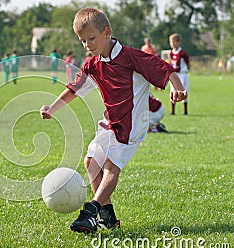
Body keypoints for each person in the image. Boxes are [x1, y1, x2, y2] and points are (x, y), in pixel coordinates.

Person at [40, 8, 187, 233]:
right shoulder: (92, 65)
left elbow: (164, 69)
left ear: (107, 32)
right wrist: (52, 108)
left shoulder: (131, 57)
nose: (87, 45)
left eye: (91, 38)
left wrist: (177, 87)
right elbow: (74, 89)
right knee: (91, 163)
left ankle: (91, 211)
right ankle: (108, 216)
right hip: (109, 123)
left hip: (130, 126)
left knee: (110, 166)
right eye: (82, 41)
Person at [168, 33, 190, 115]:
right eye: (170, 42)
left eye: (173, 42)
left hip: (182, 74)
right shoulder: (171, 52)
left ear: (178, 42)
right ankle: (173, 111)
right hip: (174, 74)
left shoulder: (182, 53)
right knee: (173, 91)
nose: (172, 44)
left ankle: (185, 111)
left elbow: (187, 63)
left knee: (183, 91)